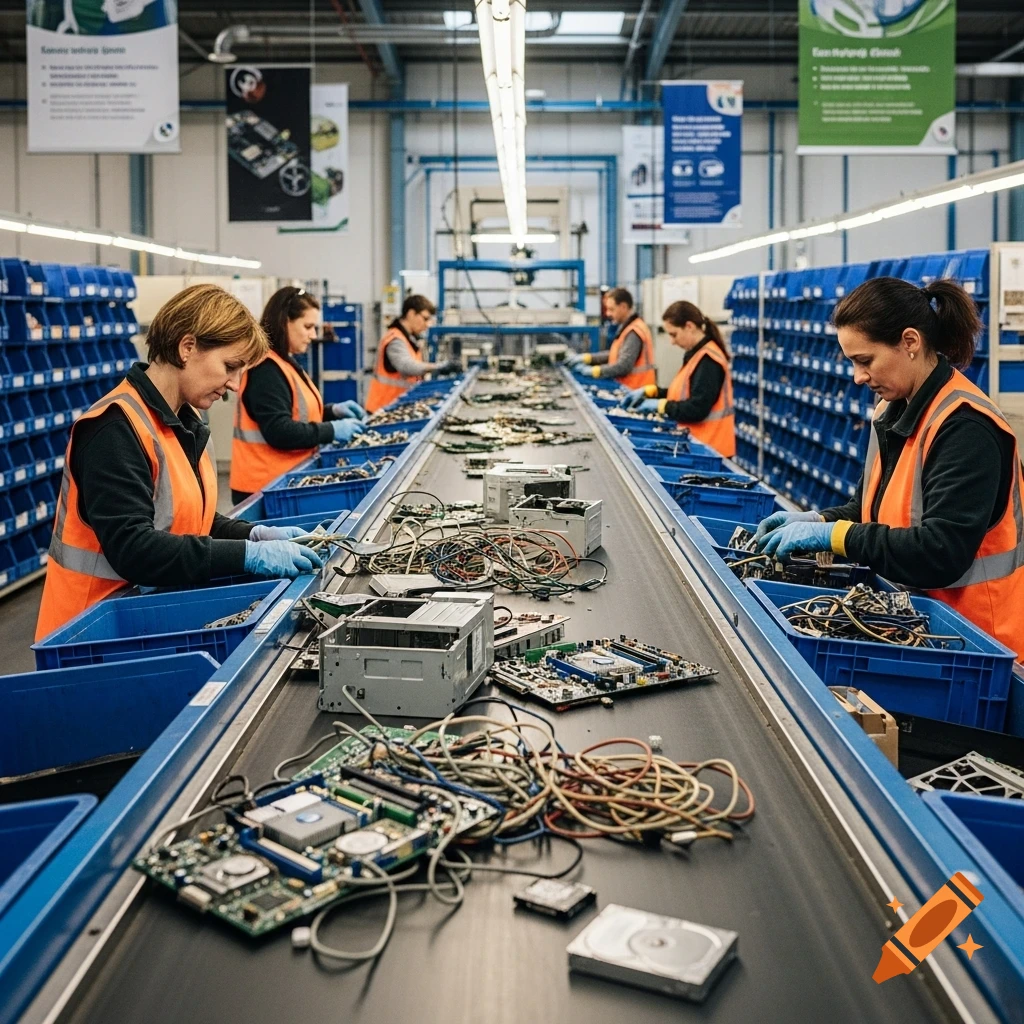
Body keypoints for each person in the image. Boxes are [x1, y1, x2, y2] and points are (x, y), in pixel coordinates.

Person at [753, 276, 1024, 662]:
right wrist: (817, 521)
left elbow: (940, 553)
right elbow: (869, 511)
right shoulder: (894, 409)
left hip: (976, 650)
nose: (857, 377)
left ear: (910, 342)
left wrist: (837, 535)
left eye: (865, 360)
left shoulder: (965, 427)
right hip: (918, 629)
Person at [36, 285, 324, 641]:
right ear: (187, 348)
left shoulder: (183, 421)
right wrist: (246, 555)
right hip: (91, 636)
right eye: (230, 366)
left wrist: (253, 534)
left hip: (146, 618)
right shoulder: (113, 428)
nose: (235, 384)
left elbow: (188, 519)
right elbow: (134, 549)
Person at [230, 286, 365, 504]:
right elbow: (279, 431)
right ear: (285, 323)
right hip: (262, 491)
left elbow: (297, 413)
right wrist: (331, 430)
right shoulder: (265, 369)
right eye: (308, 327)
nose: (313, 335)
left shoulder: (285, 363)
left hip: (284, 483)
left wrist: (332, 411)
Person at [619, 300, 736, 458]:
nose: (672, 342)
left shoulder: (709, 361)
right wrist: (653, 392)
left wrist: (661, 406)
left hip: (711, 451)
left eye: (674, 334)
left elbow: (697, 408)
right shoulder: (697, 354)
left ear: (689, 326)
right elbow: (685, 393)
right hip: (698, 445)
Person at [366, 294, 460, 413]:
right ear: (411, 314)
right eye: (425, 319)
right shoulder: (395, 340)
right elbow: (407, 366)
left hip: (397, 408)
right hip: (383, 410)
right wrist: (439, 367)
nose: (427, 324)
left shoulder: (411, 340)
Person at [567, 287, 655, 389]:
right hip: (630, 388)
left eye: (611, 309)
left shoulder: (634, 331)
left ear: (623, 307)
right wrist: (588, 358)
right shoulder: (628, 327)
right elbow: (618, 354)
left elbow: (624, 366)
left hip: (636, 390)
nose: (608, 314)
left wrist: (595, 371)